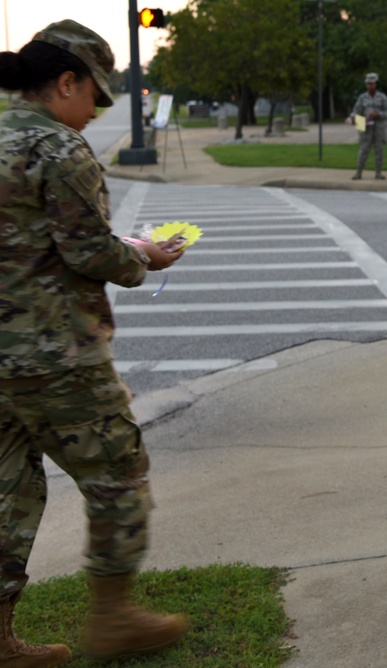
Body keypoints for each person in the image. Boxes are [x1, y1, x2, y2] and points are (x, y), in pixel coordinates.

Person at [0, 19, 189, 665]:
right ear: (66, 80)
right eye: (95, 97)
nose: (94, 112)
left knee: (8, 490)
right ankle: (116, 620)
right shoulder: (60, 149)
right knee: (118, 474)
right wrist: (144, 260)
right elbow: (86, 251)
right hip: (55, 356)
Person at [348, 72, 387, 180]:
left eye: (371, 83)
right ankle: (358, 173)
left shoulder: (382, 97)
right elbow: (355, 111)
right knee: (363, 150)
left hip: (379, 127)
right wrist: (353, 118)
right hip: (366, 127)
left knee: (379, 150)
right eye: (368, 83)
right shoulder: (362, 97)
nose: (369, 85)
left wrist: (379, 115)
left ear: (376, 84)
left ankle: (378, 173)